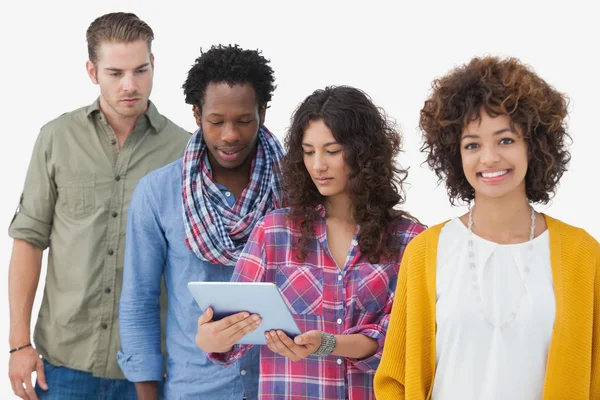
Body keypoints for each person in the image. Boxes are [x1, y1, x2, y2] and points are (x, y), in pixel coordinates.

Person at [374, 56, 600, 399]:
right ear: (454, 154)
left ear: (534, 145)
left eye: (506, 140)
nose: (490, 158)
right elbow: (395, 380)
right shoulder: (425, 252)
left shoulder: (583, 254)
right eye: (472, 145)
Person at [195, 85, 425, 399]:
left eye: (332, 151)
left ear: (364, 152)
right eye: (308, 151)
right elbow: (233, 333)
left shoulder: (410, 240)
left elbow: (399, 339)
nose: (317, 165)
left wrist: (327, 344)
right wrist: (212, 338)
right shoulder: (274, 232)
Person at [7, 12, 191, 400]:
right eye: (115, 73)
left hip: (149, 368)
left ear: (154, 65)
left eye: (141, 70)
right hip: (62, 363)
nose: (130, 85)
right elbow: (29, 240)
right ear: (92, 71)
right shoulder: (56, 138)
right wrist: (19, 344)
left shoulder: (184, 151)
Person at [117, 44, 283, 399]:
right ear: (196, 114)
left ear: (263, 113)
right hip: (197, 388)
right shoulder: (157, 193)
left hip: (284, 383)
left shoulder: (299, 189)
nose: (230, 135)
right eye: (216, 121)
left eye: (243, 120)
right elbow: (139, 301)